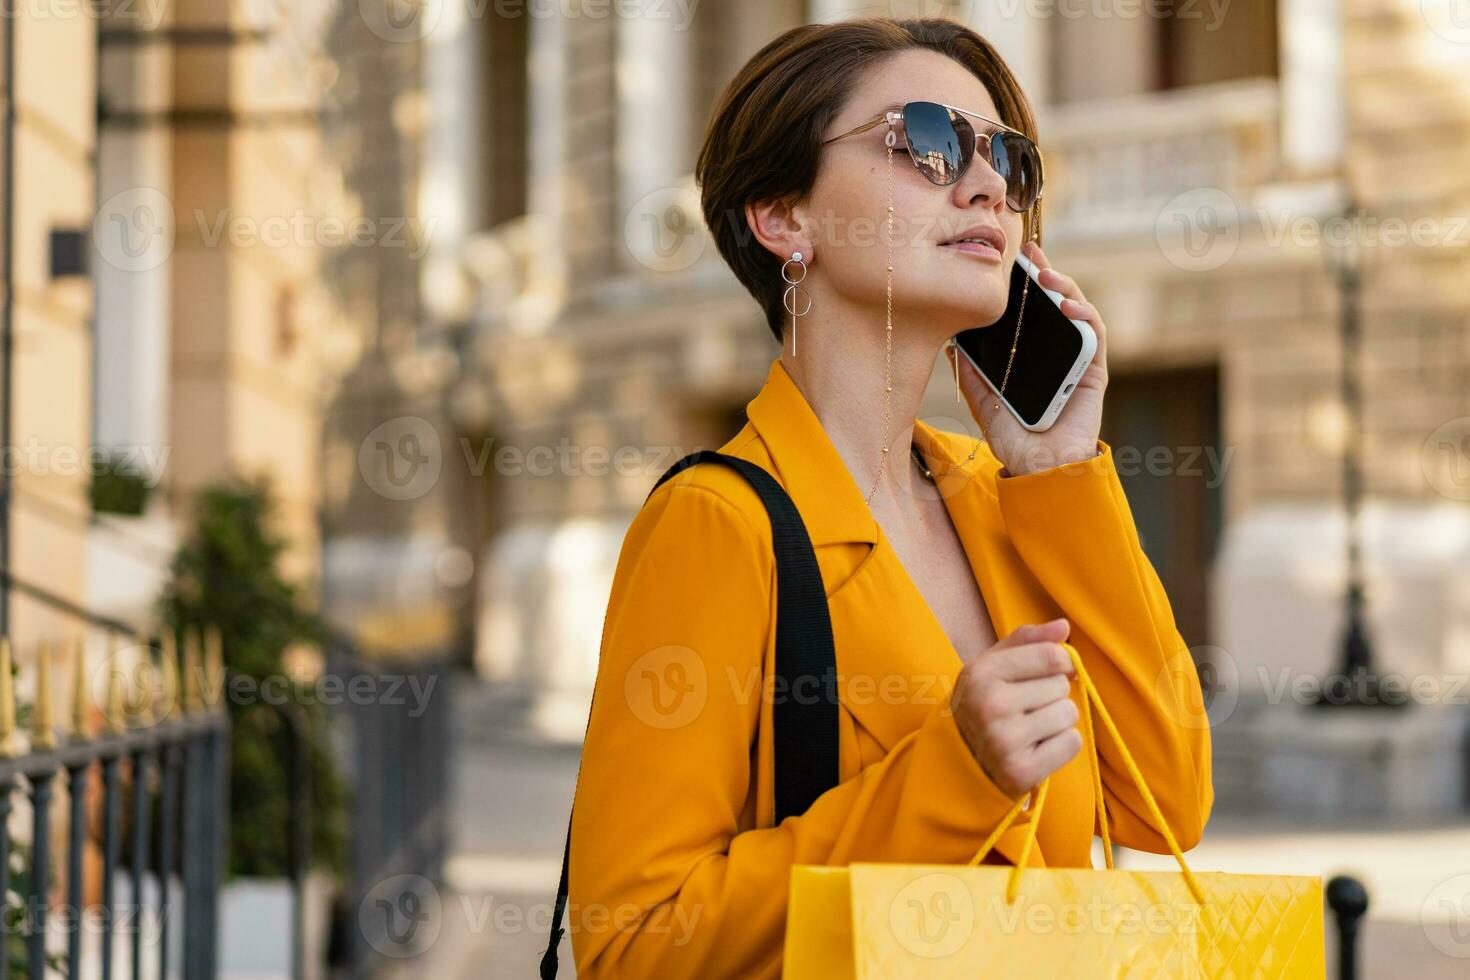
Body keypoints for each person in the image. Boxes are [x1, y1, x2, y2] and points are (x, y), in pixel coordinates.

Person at [564, 16, 1213, 978]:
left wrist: (1057, 471)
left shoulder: (1010, 500)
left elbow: (1168, 795)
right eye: (927, 139)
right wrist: (956, 772)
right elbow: (630, 941)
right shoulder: (719, 522)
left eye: (1008, 160)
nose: (989, 183)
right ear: (783, 216)